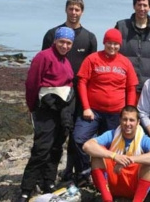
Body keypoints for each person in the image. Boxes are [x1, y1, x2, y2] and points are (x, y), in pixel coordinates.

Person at [72, 28, 139, 185]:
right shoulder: (92, 59)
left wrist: (129, 111)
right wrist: (86, 107)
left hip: (116, 113)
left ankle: (106, 176)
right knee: (78, 138)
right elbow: (82, 82)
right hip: (93, 111)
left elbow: (131, 87)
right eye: (109, 43)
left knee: (111, 146)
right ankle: (84, 172)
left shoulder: (125, 62)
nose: (113, 46)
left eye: (116, 44)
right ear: (104, 42)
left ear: (119, 45)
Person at [41, 0, 97, 183]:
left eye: (77, 9)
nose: (74, 12)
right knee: (56, 134)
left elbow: (92, 69)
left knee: (75, 134)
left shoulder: (89, 37)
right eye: (71, 9)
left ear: (82, 12)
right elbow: (43, 63)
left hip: (80, 93)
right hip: (55, 93)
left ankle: (74, 171)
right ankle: (48, 175)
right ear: (66, 10)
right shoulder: (52, 34)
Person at [18, 27, 76, 202]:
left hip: (63, 108)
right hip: (46, 108)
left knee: (57, 146)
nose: (65, 46)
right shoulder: (44, 56)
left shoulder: (66, 61)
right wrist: (32, 105)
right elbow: (32, 82)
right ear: (55, 41)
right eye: (62, 42)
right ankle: (26, 189)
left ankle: (48, 181)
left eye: (68, 43)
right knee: (42, 148)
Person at [83, 105, 150, 202]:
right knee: (97, 154)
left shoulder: (144, 139)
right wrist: (114, 156)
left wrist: (129, 160)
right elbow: (87, 146)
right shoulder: (112, 134)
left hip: (133, 184)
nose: (127, 123)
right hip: (112, 180)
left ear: (138, 122)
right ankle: (107, 199)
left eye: (131, 120)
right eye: (125, 119)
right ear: (120, 120)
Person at [115, 0, 150, 99]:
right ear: (134, 6)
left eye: (145, 5)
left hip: (147, 88)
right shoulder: (121, 27)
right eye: (139, 5)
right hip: (123, 86)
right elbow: (111, 53)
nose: (142, 8)